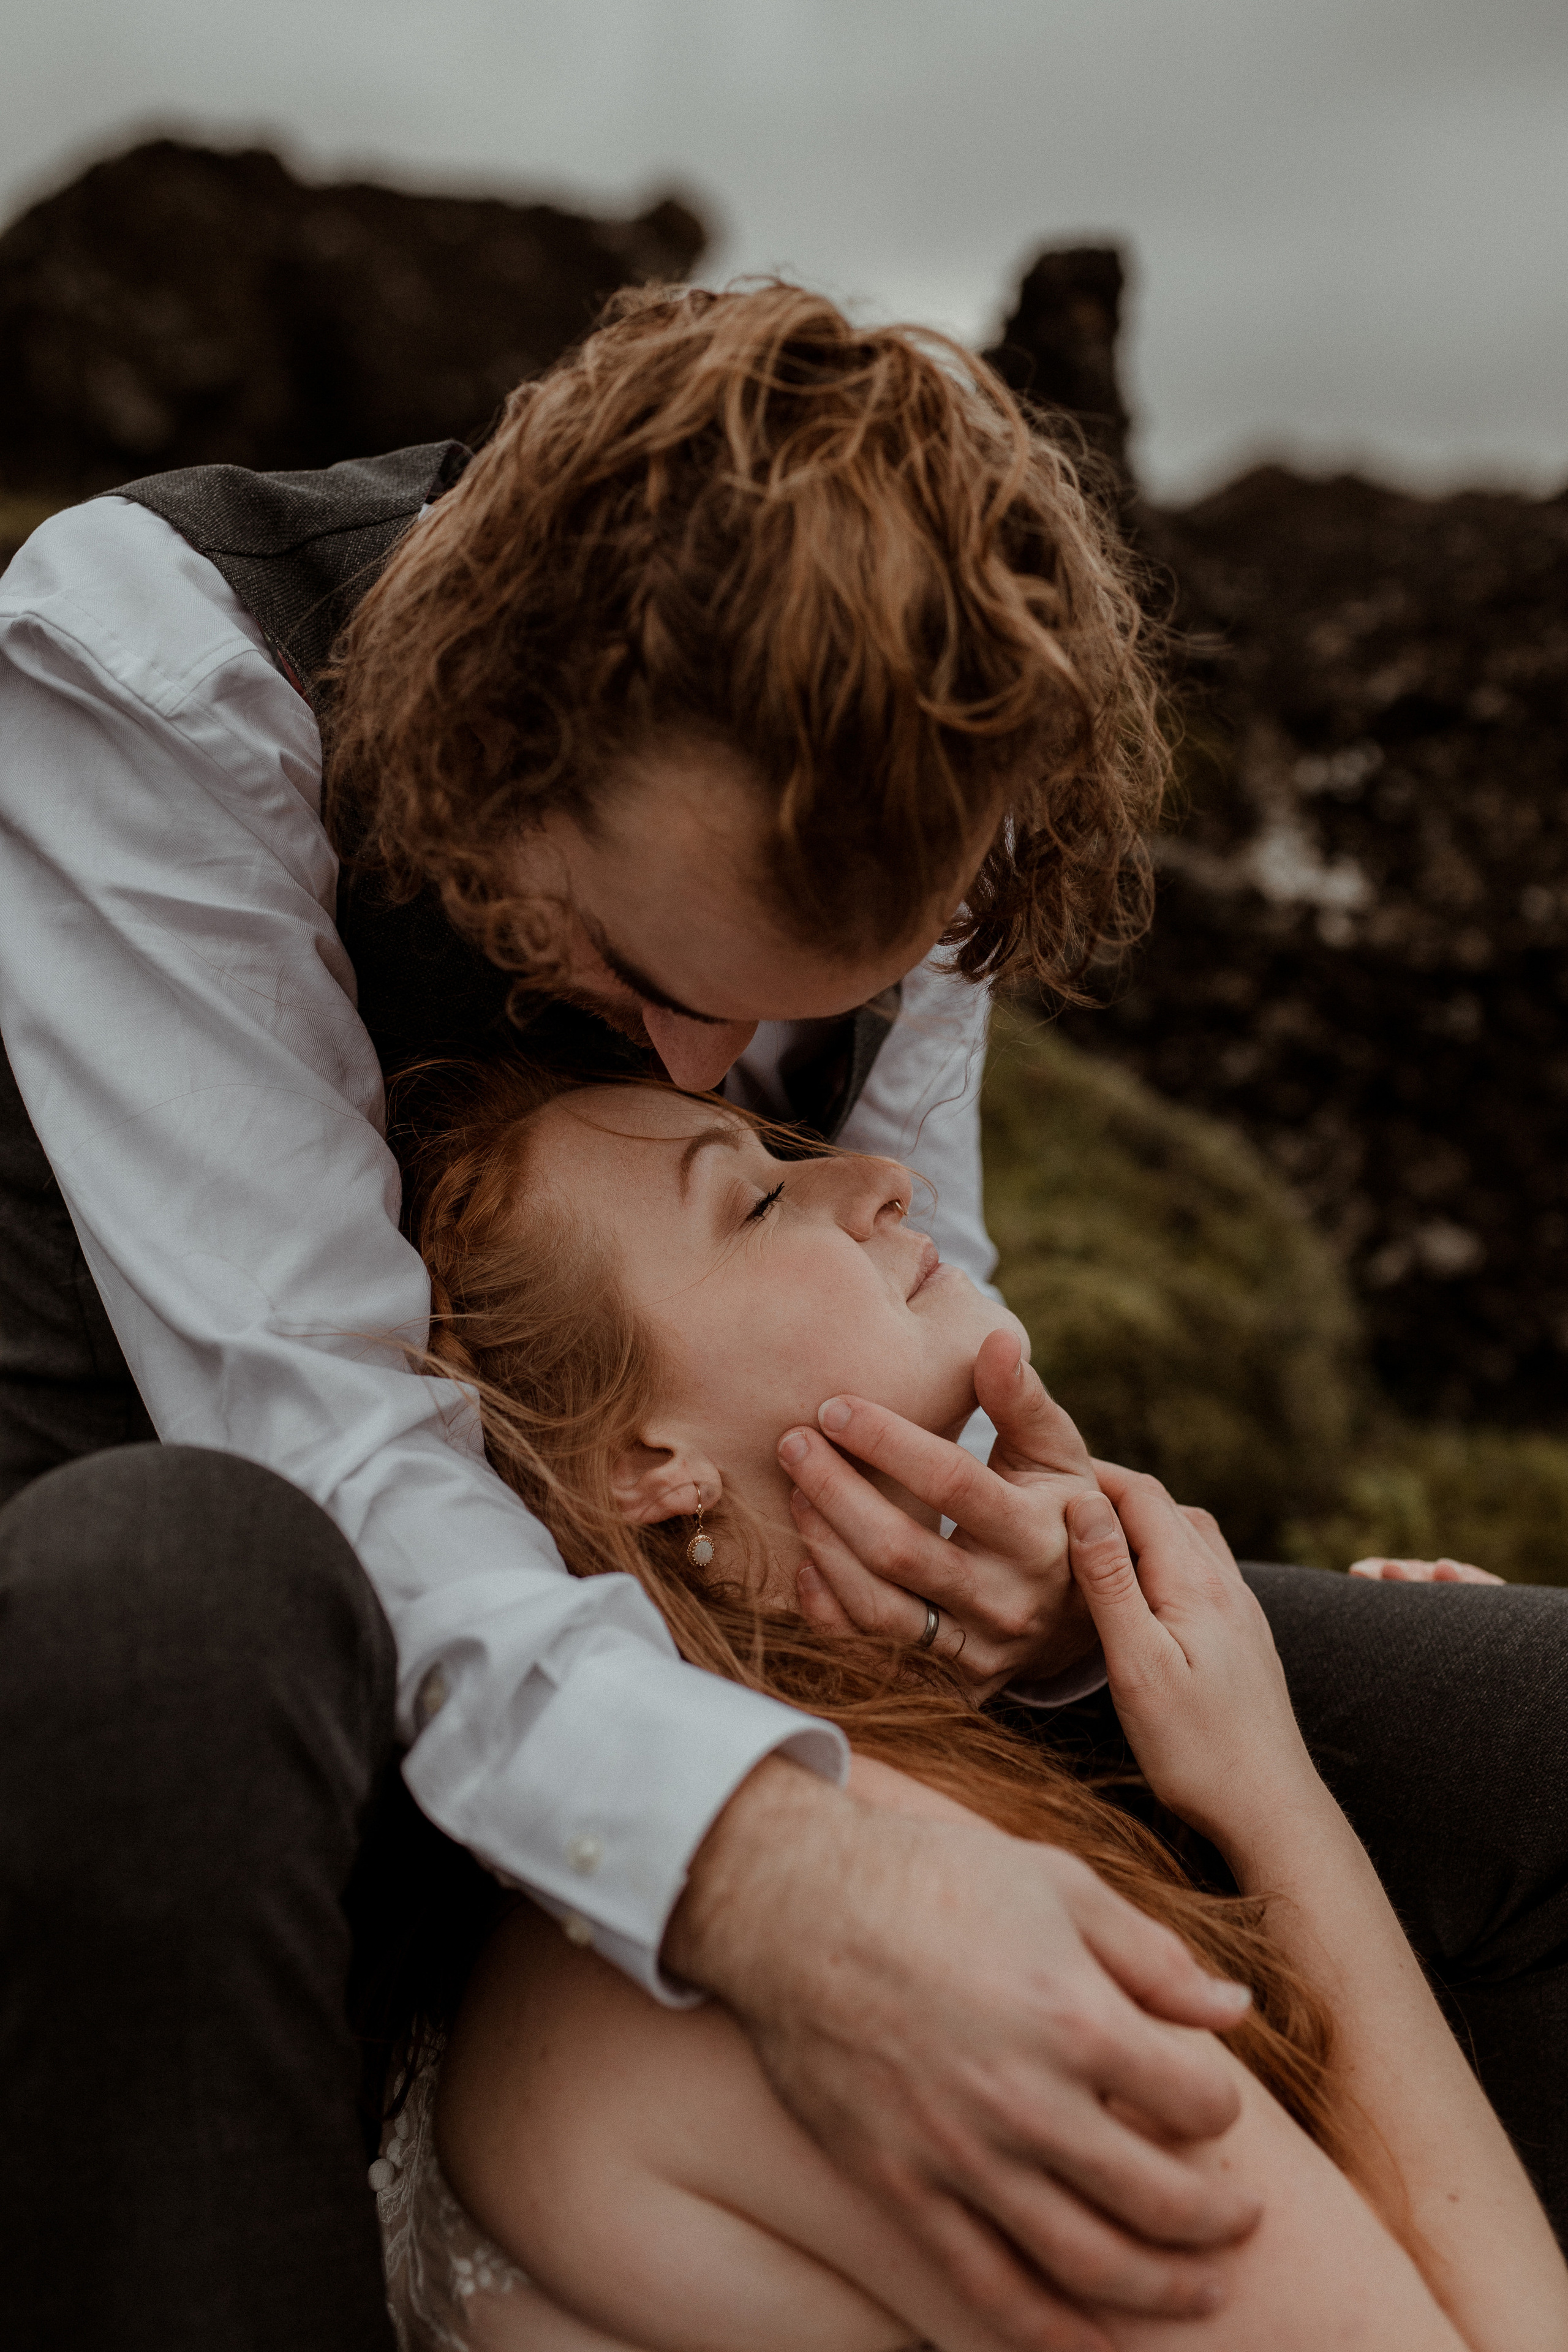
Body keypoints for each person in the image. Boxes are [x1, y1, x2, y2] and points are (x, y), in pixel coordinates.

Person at [0, 280, 1563, 2352]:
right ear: (498, 744)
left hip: (694, 1576)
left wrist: (1033, 1544)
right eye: (665, 981)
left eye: (811, 1010)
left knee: (1516, 1723)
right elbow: (333, 1435)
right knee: (174, 1590)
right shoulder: (161, 663)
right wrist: (782, 1878)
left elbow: (948, 1294)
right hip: (233, 1741)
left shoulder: (912, 777)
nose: (728, 1056)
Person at [370, 1063, 1568, 2351]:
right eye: (757, 1204)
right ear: (647, 1465)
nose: (882, 1179)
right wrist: (1268, 1786)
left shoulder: (849, 1802)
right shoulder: (882, 1938)